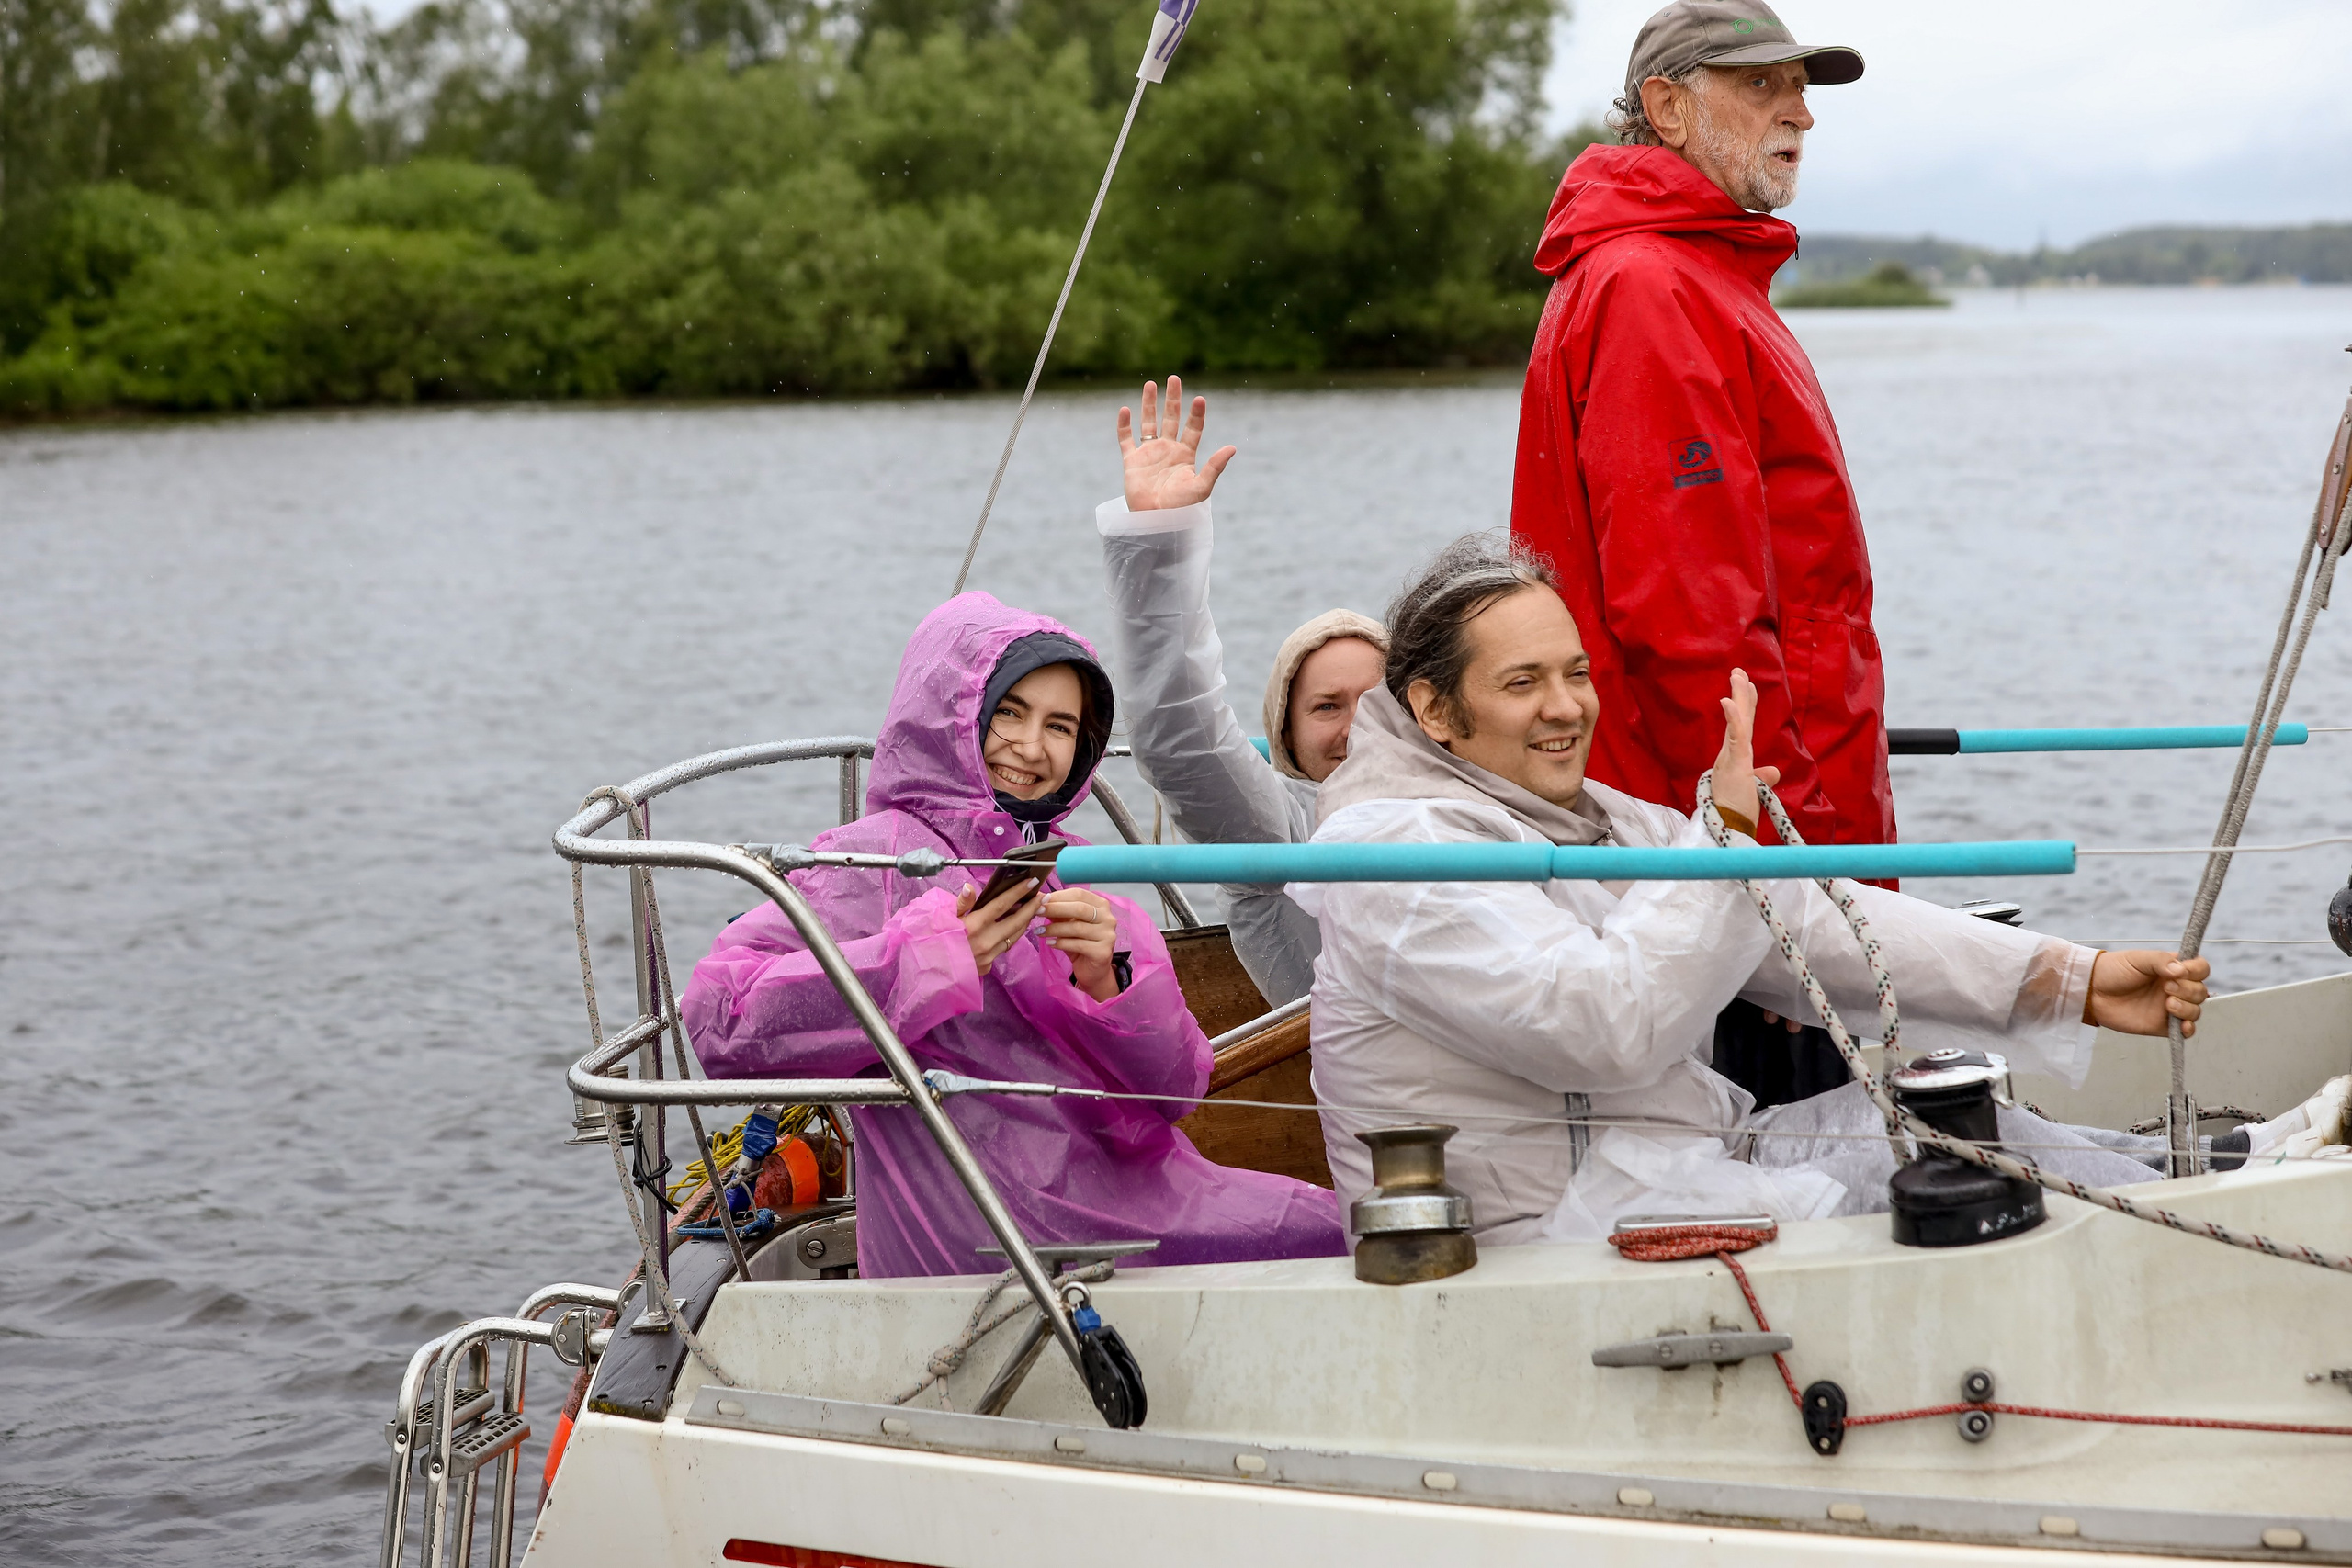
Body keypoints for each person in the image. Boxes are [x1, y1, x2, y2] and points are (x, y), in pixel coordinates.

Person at [1292, 535, 2347, 1245]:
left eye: (1575, 672)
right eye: (1522, 684)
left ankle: (2228, 1163)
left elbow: (1798, 919)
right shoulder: (1389, 854)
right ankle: (2228, 1202)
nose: (1566, 707)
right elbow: (1599, 1027)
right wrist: (1726, 835)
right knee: (1968, 1187)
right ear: (1432, 710)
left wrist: (2067, 978)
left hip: (1667, 1173)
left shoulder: (1584, 815)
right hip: (1547, 1241)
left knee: (1963, 1127)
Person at [681, 592, 1345, 1277]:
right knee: (1345, 1241)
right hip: (984, 1237)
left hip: (1126, 1198)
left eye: (1060, 726)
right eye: (1009, 713)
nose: (1032, 748)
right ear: (951, 719)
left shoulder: (1070, 876)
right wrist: (923, 960)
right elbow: (719, 1017)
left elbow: (1177, 1092)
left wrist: (1113, 982)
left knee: (1350, 1229)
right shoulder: (871, 863)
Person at [1510, 3, 1882, 1098]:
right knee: (1800, 1151)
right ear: (1668, 108)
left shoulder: (1687, 276)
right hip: (1737, 839)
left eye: (1801, 90)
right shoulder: (1654, 287)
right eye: (1760, 87)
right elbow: (1689, 623)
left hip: (1729, 823)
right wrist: (1793, 862)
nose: (1801, 114)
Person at [1095, 375, 1389, 1005]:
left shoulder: (1465, 809)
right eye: (1327, 707)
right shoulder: (1279, 838)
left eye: (1377, 701)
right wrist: (1159, 542)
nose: (1356, 726)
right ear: (1284, 739)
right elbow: (1181, 740)